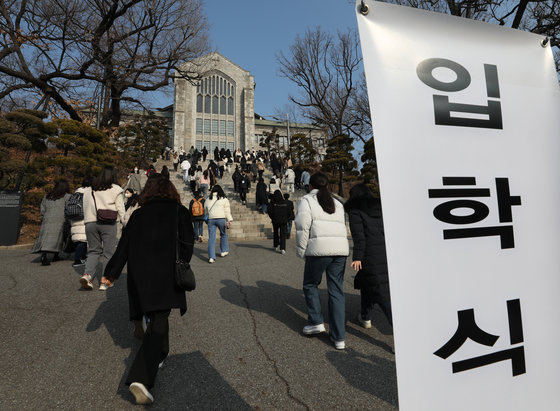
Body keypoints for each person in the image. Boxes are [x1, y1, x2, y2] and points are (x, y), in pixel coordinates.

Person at [103, 174, 194, 405]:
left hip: (141, 274)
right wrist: (183, 263)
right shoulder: (180, 212)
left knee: (157, 317)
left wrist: (111, 272)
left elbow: (124, 246)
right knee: (160, 317)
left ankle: (160, 353)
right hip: (166, 274)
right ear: (172, 191)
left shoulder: (138, 215)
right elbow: (187, 245)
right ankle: (141, 377)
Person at [295, 172, 349, 350]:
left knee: (310, 284)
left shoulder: (307, 200)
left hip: (319, 250)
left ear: (310, 185)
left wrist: (302, 251)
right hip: (340, 250)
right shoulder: (338, 203)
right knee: (336, 291)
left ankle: (316, 321)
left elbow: (303, 227)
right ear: (327, 186)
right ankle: (339, 337)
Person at [345, 183, 392, 328]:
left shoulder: (355, 212)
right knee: (367, 284)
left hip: (370, 255)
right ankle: (365, 316)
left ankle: (401, 334)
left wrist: (357, 257)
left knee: (381, 292)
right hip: (387, 253)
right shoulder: (381, 209)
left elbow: (359, 238)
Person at [80, 166, 125, 291]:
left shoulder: (89, 189)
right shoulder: (116, 189)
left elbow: (85, 206)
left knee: (93, 251)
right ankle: (104, 281)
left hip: (90, 222)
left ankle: (87, 275)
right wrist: (125, 223)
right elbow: (121, 208)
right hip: (108, 223)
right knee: (108, 253)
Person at [32, 179, 71, 266]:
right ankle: (49, 256)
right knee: (58, 238)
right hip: (60, 220)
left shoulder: (47, 196)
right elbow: (68, 209)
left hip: (47, 219)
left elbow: (43, 208)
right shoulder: (67, 196)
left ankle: (48, 255)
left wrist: (43, 217)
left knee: (46, 238)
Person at [204, 185, 233, 263]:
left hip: (211, 219)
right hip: (221, 219)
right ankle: (223, 251)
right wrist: (229, 219)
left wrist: (207, 220)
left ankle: (211, 257)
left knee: (211, 238)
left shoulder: (208, 199)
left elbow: (205, 211)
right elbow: (227, 211)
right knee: (223, 234)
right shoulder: (224, 199)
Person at [70, 176, 93, 267]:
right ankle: (77, 259)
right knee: (82, 240)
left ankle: (82, 257)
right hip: (84, 218)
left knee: (80, 238)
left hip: (75, 218)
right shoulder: (88, 193)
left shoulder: (76, 193)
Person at [267, 190, 290, 254]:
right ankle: (283, 248)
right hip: (284, 221)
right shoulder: (285, 202)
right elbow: (289, 212)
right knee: (283, 234)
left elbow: (269, 211)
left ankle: (275, 245)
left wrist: (273, 217)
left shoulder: (272, 202)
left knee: (275, 233)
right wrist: (287, 218)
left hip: (275, 220)